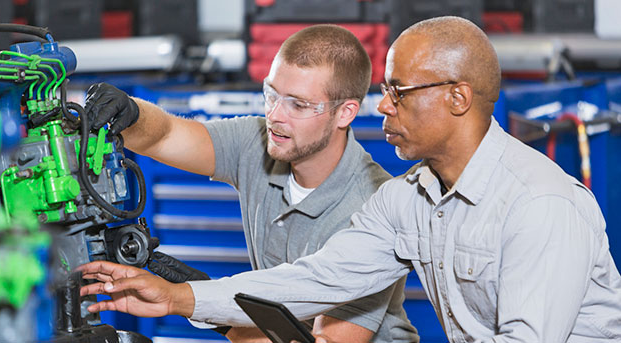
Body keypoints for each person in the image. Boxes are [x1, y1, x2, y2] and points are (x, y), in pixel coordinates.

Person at [80, 16, 621, 342]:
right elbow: (314, 281)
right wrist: (179, 298)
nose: (382, 105)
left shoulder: (540, 204)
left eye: (400, 91)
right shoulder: (410, 200)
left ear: (457, 98)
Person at [82, 25, 417, 343]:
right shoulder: (259, 141)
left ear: (345, 113)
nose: (275, 115)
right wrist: (131, 113)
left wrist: (197, 301)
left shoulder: (373, 207)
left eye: (298, 104)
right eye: (271, 94)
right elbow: (166, 134)